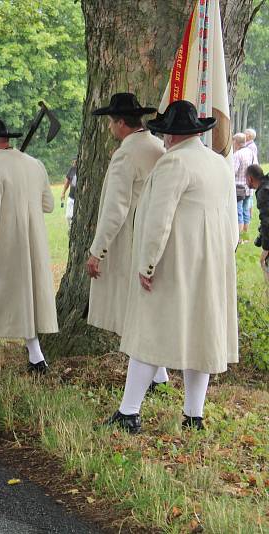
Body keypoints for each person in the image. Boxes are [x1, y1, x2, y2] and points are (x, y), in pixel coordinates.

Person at [105, 100, 238, 434]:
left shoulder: (173, 163)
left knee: (148, 332)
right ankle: (194, 414)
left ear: (172, 136)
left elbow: (157, 221)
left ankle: (129, 412)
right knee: (202, 334)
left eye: (164, 134)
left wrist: (147, 264)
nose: (163, 140)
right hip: (212, 261)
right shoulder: (219, 164)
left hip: (175, 260)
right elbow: (232, 222)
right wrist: (225, 252)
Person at [0, 118, 58, 398]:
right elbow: (48, 204)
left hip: (3, 250)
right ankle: (36, 358)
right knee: (24, 302)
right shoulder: (35, 164)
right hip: (31, 248)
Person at [85, 93, 169, 389]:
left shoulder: (126, 153)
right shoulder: (158, 146)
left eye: (111, 122)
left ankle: (153, 376)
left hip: (132, 237)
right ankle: (159, 375)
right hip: (155, 236)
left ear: (120, 123)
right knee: (145, 307)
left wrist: (98, 251)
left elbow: (115, 208)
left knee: (134, 310)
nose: (110, 127)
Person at [246, 164, 269, 282]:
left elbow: (267, 222)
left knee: (264, 264)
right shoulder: (266, 185)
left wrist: (266, 249)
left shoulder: (263, 192)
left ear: (250, 178)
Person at [234, 132, 257, 242]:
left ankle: (239, 239)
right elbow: (255, 167)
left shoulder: (237, 154)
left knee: (239, 213)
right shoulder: (251, 152)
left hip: (238, 188)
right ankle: (245, 237)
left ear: (236, 142)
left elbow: (233, 171)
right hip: (249, 187)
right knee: (246, 211)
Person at [60, 158, 78, 225]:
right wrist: (63, 193)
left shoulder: (82, 171)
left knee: (73, 216)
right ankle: (71, 230)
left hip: (79, 198)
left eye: (75, 162)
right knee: (68, 216)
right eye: (73, 163)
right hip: (71, 196)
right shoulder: (72, 169)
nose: (74, 164)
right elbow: (67, 182)